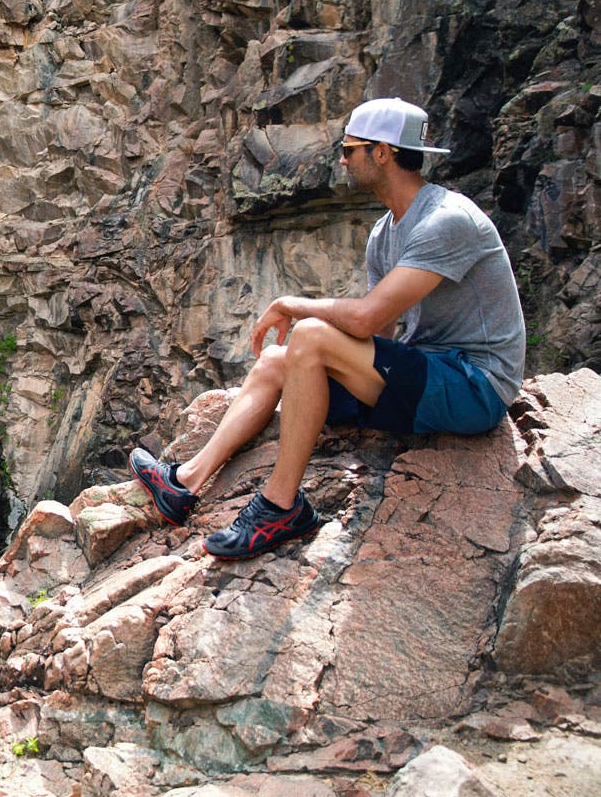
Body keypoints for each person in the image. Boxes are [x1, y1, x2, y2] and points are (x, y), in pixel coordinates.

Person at [130, 97, 526, 560]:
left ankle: (280, 508)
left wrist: (291, 307)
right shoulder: (385, 233)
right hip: (431, 375)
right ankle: (184, 483)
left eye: (350, 148)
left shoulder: (447, 220)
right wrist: (308, 372)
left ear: (382, 152)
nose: (341, 159)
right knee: (280, 360)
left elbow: (367, 319)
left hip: (475, 385)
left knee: (311, 337)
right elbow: (385, 339)